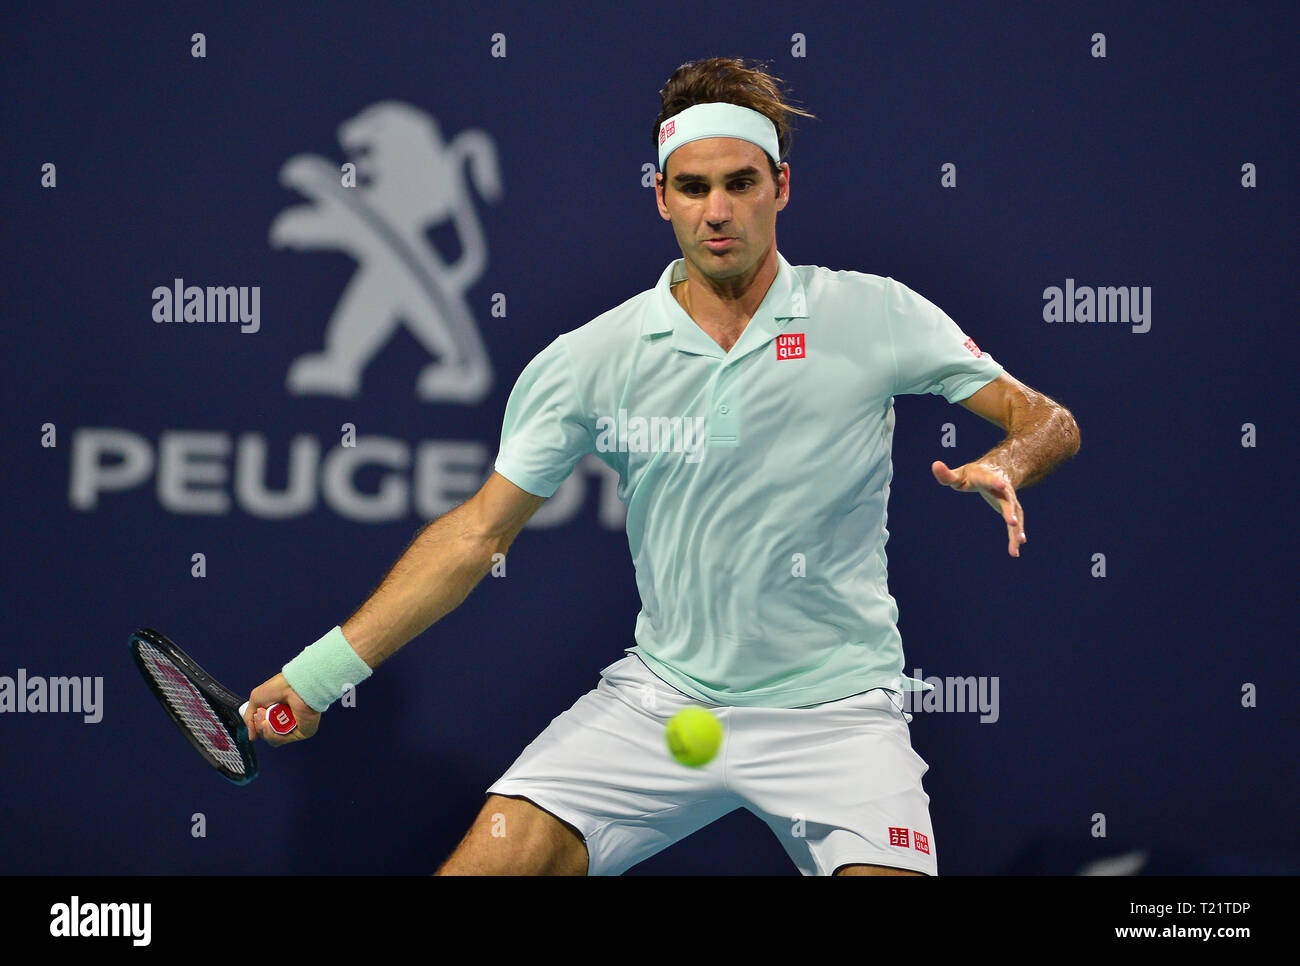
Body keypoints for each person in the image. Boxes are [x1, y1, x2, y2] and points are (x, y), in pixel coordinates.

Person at [243, 56, 1080, 876]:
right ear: (662, 198)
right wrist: (315, 679)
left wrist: (1012, 458)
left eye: (742, 184)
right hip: (662, 701)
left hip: (839, 715)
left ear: (780, 188)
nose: (718, 210)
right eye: (692, 187)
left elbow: (1044, 417)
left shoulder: (872, 314)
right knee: (500, 858)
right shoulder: (592, 359)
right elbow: (476, 535)